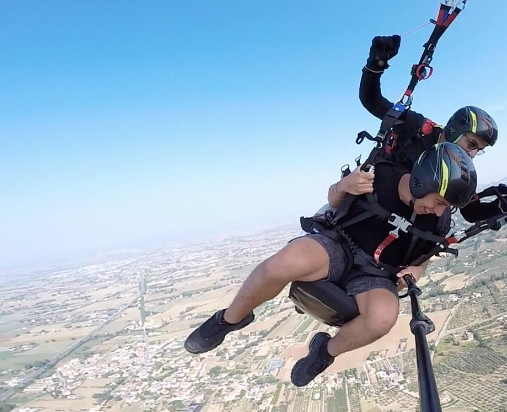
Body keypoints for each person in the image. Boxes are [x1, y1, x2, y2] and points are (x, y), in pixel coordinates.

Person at [184, 142, 478, 387]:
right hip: (339, 245)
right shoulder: (380, 175)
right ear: (421, 180)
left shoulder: (437, 221)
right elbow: (335, 199)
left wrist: (417, 270)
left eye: (445, 206)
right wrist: (343, 185)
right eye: (438, 201)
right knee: (280, 265)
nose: (438, 209)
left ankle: (324, 351)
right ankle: (230, 319)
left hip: (377, 274)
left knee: (382, 320)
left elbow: (423, 257)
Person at [360, 34, 507, 223]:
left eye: (478, 150)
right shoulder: (417, 126)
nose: (472, 154)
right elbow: (373, 101)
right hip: (373, 206)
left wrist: (505, 206)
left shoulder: (458, 167)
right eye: (472, 143)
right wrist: (376, 64)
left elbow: (471, 212)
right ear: (455, 130)